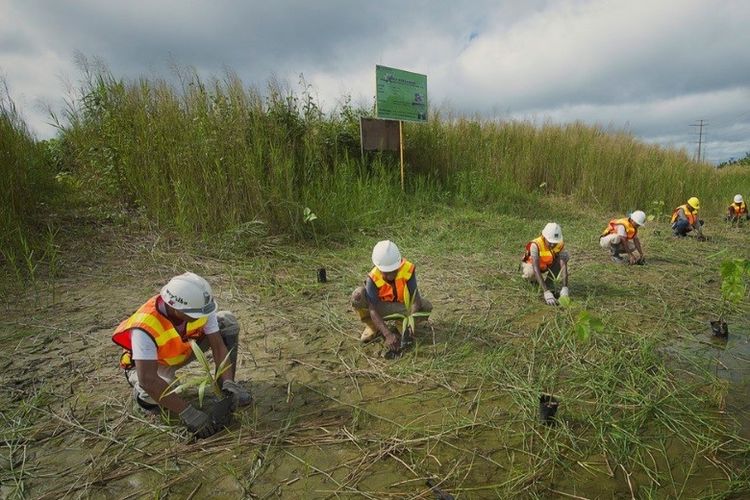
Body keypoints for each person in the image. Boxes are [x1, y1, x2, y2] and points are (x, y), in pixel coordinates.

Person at [112, 272, 252, 438]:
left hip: (183, 348)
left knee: (227, 323)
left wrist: (228, 382)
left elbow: (218, 345)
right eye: (195, 314)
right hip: (153, 363)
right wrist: (188, 412)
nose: (203, 317)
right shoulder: (144, 327)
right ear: (174, 307)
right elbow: (148, 379)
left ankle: (225, 392)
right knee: (155, 390)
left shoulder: (200, 306)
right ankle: (142, 400)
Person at [351, 240, 432, 351]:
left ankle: (401, 323)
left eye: (394, 271)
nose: (391, 276)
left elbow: (415, 299)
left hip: (401, 307)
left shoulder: (408, 269)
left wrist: (409, 323)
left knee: (426, 306)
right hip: (381, 308)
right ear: (378, 267)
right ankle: (373, 326)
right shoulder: (373, 278)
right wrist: (388, 334)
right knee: (358, 296)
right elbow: (373, 310)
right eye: (386, 272)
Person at [521, 223, 569, 305]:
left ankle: (548, 284)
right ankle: (534, 282)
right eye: (550, 242)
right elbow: (535, 268)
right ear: (544, 237)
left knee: (565, 257)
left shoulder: (559, 244)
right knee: (530, 273)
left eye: (554, 242)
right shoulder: (535, 245)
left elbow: (563, 265)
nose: (552, 245)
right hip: (532, 265)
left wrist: (565, 287)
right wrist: (546, 292)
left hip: (547, 264)